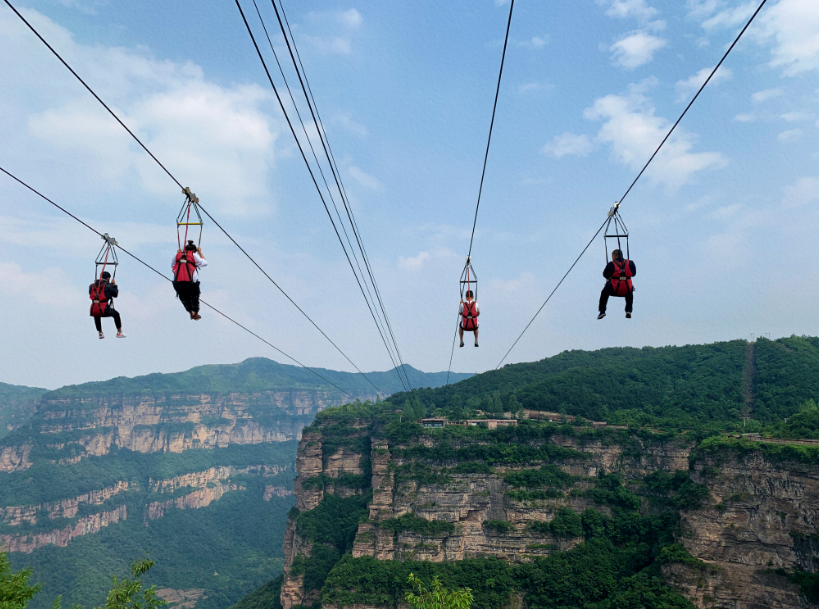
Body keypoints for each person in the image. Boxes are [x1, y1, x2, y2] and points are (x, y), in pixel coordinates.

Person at [172, 240, 207, 320]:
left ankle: (191, 313)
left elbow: (172, 266)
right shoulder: (194, 255)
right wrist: (200, 252)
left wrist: (178, 254)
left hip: (178, 284)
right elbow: (205, 263)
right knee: (195, 297)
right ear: (194, 250)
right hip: (191, 284)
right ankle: (196, 313)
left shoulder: (177, 255)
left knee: (183, 297)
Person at [598, 248, 636, 319]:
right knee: (630, 292)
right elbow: (633, 273)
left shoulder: (611, 264)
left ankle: (602, 311)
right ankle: (628, 310)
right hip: (626, 288)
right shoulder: (630, 263)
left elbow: (605, 274)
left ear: (614, 256)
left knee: (604, 293)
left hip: (614, 289)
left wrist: (611, 277)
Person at [89, 271, 125, 339]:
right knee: (116, 314)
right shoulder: (108, 285)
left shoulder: (91, 285)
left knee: (96, 314)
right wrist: (114, 285)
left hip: (93, 308)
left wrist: (96, 283)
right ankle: (119, 332)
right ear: (108, 278)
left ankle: (100, 333)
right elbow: (115, 294)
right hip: (104, 309)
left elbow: (91, 293)